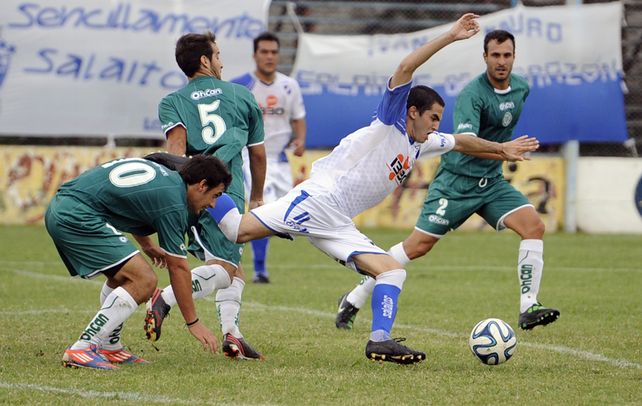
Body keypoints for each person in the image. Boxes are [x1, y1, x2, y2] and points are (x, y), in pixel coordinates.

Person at [206, 14, 539, 364]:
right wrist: (452, 36)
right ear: (412, 112)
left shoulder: (419, 141)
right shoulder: (389, 121)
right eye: (434, 117)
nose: (438, 125)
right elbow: (406, 66)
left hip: (337, 221)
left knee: (392, 270)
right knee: (236, 230)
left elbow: (461, 141)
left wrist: (502, 149)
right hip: (318, 200)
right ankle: (194, 175)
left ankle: (379, 340)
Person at [335, 30, 560, 332]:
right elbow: (466, 142)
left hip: (491, 184)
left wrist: (505, 154)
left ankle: (528, 306)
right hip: (457, 183)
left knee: (534, 226)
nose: (501, 61)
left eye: (507, 55)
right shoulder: (473, 94)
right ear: (485, 57)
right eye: (495, 55)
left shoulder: (521, 88)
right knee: (417, 247)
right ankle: (355, 296)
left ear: (514, 56)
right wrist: (505, 152)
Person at [144, 32, 267, 360]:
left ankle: (232, 335)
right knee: (225, 267)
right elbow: (257, 154)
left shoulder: (172, 102)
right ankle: (165, 298)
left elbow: (176, 153)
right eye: (218, 54)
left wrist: (175, 201)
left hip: (192, 190)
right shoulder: (242, 95)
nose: (221, 61)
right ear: (205, 61)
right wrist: (256, 197)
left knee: (232, 266)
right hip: (223, 193)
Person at [44, 155, 231, 370]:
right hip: (76, 214)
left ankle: (109, 346)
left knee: (122, 277)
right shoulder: (174, 203)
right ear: (202, 185)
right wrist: (193, 323)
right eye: (215, 195)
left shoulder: (167, 181)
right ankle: (83, 347)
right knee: (143, 279)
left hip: (67, 207)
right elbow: (178, 267)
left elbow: (131, 202)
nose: (213, 204)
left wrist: (147, 245)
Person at [231, 31, 307, 284]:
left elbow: (298, 116)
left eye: (274, 52)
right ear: (255, 55)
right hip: (251, 156)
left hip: (280, 157)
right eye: (264, 52)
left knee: (284, 213)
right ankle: (259, 270)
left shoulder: (289, 85)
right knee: (259, 209)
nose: (269, 56)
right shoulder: (241, 85)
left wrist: (300, 139)